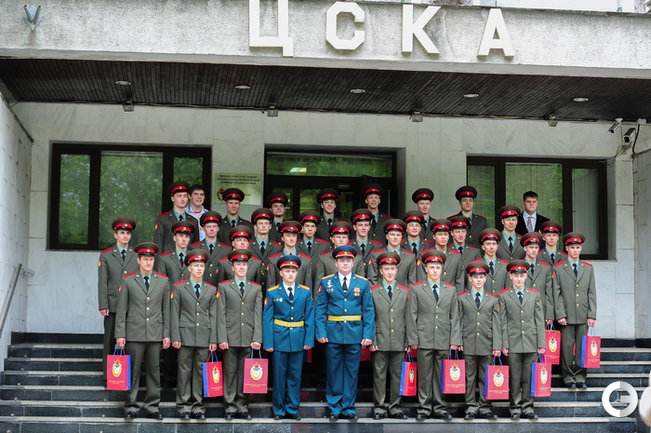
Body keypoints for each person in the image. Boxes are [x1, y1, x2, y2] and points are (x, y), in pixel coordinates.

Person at [315, 245, 375, 421]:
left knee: (351, 372)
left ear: (353, 262)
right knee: (333, 371)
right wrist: (320, 331)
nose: (345, 263)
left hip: (355, 333)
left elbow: (368, 310)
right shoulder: (326, 282)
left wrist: (368, 334)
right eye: (342, 260)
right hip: (333, 333)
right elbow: (320, 309)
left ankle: (348, 407)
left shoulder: (362, 283)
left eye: (348, 260)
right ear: (336, 263)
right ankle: (334, 407)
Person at [115, 242, 170, 420]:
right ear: (138, 260)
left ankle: (152, 407)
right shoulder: (128, 280)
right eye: (145, 259)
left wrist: (167, 334)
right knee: (133, 371)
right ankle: (130, 407)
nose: (148, 262)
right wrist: (120, 334)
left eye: (151, 259)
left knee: (154, 371)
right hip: (134, 332)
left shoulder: (163, 280)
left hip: (155, 332)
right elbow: (122, 309)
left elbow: (166, 309)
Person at [406, 250, 460, 421]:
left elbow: (454, 316)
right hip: (424, 338)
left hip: (444, 337)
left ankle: (440, 407)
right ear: (426, 269)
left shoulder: (450, 289)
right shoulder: (416, 288)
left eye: (438, 267)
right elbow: (411, 315)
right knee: (424, 375)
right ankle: (424, 407)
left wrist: (455, 339)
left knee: (441, 374)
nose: (435, 270)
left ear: (442, 269)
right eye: (432, 267)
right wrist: (413, 339)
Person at [263, 255, 315, 420]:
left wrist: (308, 340)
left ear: (297, 273)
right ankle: (279, 410)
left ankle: (293, 409)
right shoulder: (272, 292)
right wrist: (268, 342)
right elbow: (267, 319)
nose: (290, 274)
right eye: (287, 271)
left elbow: (310, 316)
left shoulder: (305, 292)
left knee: (295, 376)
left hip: (298, 339)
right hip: (279, 338)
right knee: (279, 376)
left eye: (293, 271)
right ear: (281, 273)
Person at [170, 249, 217, 420]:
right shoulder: (179, 287)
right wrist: (175, 336)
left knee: (200, 372)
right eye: (195, 265)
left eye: (201, 266)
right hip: (185, 336)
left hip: (204, 336)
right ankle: (184, 407)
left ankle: (198, 407)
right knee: (184, 372)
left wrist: (214, 339)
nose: (199, 269)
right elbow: (174, 313)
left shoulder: (211, 289)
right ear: (189, 268)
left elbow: (214, 316)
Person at [216, 249, 263, 420]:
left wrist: (257, 337)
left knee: (245, 373)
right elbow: (220, 314)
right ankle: (229, 407)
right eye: (238, 264)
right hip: (230, 336)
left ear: (248, 267)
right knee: (230, 372)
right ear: (232, 267)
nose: (241, 267)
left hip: (248, 337)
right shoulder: (223, 287)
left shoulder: (256, 288)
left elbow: (257, 314)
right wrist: (222, 337)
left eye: (244, 264)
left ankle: (242, 406)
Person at [499, 260, 546, 420]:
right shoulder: (504, 295)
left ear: (526, 276)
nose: (519, 279)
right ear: (511, 276)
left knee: (528, 377)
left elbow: (539, 320)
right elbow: (503, 321)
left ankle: (528, 407)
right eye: (516, 276)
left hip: (531, 342)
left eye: (521, 275)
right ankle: (515, 408)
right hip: (513, 342)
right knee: (514, 377)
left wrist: (541, 343)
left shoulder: (534, 295)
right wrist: (504, 343)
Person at [457, 262, 501, 420]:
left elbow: (497, 324)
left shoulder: (493, 299)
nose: (478, 280)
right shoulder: (461, 298)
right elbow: (458, 321)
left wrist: (497, 345)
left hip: (487, 343)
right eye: (475, 277)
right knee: (469, 377)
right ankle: (470, 406)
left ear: (485, 279)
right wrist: (457, 340)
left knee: (485, 376)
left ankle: (485, 406)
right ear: (470, 278)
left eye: (481, 277)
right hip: (468, 342)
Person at [369, 252, 410, 420]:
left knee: (397, 375)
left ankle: (395, 407)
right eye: (386, 269)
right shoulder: (373, 291)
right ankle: (379, 408)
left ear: (397, 270)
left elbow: (409, 318)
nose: (390, 272)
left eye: (392, 269)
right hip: (380, 340)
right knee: (379, 376)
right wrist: (372, 339)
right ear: (380, 271)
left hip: (400, 340)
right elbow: (370, 317)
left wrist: (408, 340)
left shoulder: (406, 292)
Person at [553, 232, 596, 389]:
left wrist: (592, 315)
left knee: (582, 347)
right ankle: (568, 377)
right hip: (566, 314)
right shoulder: (558, 268)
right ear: (567, 248)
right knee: (567, 348)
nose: (575, 250)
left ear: (581, 248)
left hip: (583, 314)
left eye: (577, 247)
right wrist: (560, 314)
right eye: (572, 247)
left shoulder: (588, 268)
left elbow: (592, 293)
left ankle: (580, 376)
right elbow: (556, 294)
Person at [98, 217, 138, 381]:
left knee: (131, 342)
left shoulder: (136, 254)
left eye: (128, 233)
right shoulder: (106, 255)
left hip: (132, 305)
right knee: (109, 341)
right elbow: (103, 281)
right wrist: (103, 304)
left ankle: (126, 377)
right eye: (122, 233)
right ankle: (109, 377)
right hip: (113, 304)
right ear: (116, 235)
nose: (125, 236)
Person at [157, 220, 196, 388]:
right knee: (171, 343)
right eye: (180, 236)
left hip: (190, 305)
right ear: (174, 238)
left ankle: (187, 379)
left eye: (186, 236)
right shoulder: (165, 258)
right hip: (171, 304)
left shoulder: (195, 257)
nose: (183, 239)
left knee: (188, 342)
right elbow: (162, 283)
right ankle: (170, 378)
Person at [313, 221, 364, 299]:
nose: (341, 240)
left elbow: (361, 284)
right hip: (330, 301)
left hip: (352, 301)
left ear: (348, 240)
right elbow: (318, 285)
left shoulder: (357, 258)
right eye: (338, 237)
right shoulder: (323, 258)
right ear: (333, 239)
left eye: (344, 237)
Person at [367, 219, 418, 287]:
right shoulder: (376, 255)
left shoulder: (410, 256)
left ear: (402, 237)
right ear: (387, 236)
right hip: (381, 292)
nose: (395, 237)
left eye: (398, 235)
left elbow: (412, 282)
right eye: (392, 234)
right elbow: (372, 280)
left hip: (404, 293)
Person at [417, 219, 464, 291]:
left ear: (449, 236)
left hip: (450, 296)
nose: (443, 237)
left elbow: (459, 282)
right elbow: (421, 280)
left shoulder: (456, 256)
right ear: (434, 236)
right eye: (439, 234)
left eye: (445, 234)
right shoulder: (424, 255)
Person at [154, 180, 200, 253]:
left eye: (185, 196)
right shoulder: (163, 219)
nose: (182, 199)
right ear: (172, 198)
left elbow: (195, 247)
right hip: (167, 259)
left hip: (187, 259)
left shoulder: (194, 221)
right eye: (179, 196)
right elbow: (158, 245)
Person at [267, 220, 313, 290]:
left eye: (294, 236)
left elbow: (308, 288)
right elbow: (271, 288)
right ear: (282, 238)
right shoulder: (273, 260)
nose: (291, 239)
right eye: (288, 236)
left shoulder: (306, 260)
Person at [521, 232, 554, 324]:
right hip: (522, 311)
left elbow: (549, 293)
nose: (534, 250)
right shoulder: (518, 266)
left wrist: (549, 315)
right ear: (525, 248)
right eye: (531, 247)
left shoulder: (545, 268)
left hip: (540, 311)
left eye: (536, 247)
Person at [191, 211, 230, 286]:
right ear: (203, 228)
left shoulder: (226, 250)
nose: (212, 229)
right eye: (208, 226)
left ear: (218, 228)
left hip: (219, 289)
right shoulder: (194, 248)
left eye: (214, 226)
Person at [472, 228, 510, 295]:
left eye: (494, 244)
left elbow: (508, 290)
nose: (491, 247)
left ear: (497, 246)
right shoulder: (475, 265)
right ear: (483, 247)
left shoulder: (505, 266)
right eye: (488, 244)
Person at [448, 215, 481, 286]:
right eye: (457, 232)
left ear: (466, 232)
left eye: (463, 231)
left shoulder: (475, 252)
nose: (461, 235)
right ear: (451, 233)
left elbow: (476, 274)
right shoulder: (447, 250)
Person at [296, 210, 330, 279]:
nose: (310, 229)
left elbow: (327, 268)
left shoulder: (324, 245)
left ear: (316, 229)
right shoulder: (295, 245)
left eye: (313, 226)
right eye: (307, 226)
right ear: (302, 228)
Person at [349, 209, 382, 277]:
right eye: (360, 225)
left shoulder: (377, 246)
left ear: (369, 227)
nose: (363, 228)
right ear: (355, 227)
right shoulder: (348, 246)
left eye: (366, 225)